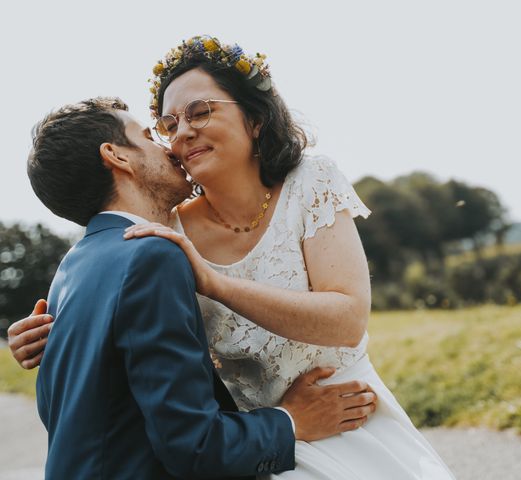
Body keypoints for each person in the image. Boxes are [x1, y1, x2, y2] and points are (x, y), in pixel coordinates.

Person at [11, 35, 455, 478]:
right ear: (117, 157)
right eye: (164, 126)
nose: (178, 135)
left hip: (345, 411)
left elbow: (349, 318)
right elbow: (124, 318)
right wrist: (60, 336)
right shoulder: (161, 238)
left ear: (255, 118)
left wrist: (218, 285)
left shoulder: (310, 183)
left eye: (199, 111)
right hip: (256, 442)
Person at [22, 96, 376, 479]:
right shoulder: (152, 255)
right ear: (117, 156)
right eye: (147, 136)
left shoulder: (71, 268)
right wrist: (291, 420)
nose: (170, 147)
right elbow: (194, 447)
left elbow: (78, 412)